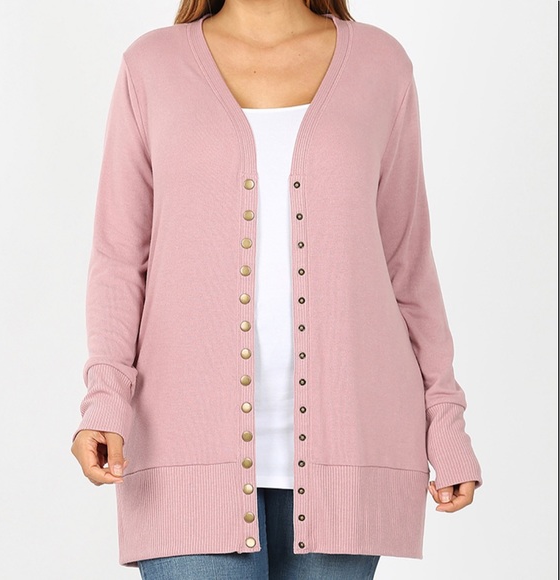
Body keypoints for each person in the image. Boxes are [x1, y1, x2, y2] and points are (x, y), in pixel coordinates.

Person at [71, 1, 483, 578]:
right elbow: (119, 260)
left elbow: (407, 265)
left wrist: (445, 420)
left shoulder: (380, 64)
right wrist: (105, 399)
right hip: (182, 447)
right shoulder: (151, 66)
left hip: (352, 448)